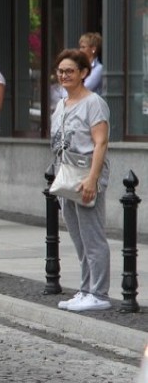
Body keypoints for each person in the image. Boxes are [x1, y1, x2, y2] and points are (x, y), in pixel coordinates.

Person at [51, 49, 111, 312]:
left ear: (84, 73)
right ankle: (86, 289)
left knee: (93, 236)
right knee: (78, 237)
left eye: (70, 71)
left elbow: (101, 142)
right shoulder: (61, 103)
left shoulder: (94, 103)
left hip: (86, 174)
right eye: (61, 71)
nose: (64, 75)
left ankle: (99, 293)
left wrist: (93, 179)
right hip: (66, 175)